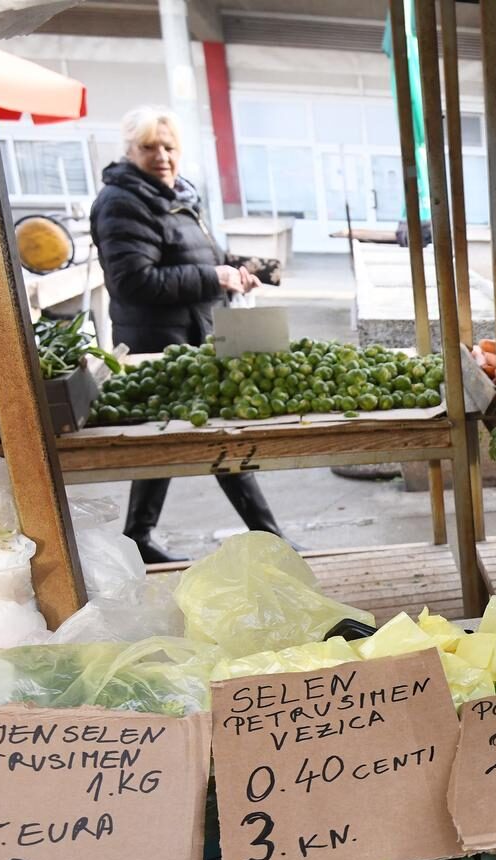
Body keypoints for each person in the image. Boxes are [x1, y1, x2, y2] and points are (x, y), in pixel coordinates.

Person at [90, 106, 289, 564]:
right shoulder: (121, 202)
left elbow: (202, 256)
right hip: (158, 342)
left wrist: (244, 270)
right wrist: (213, 277)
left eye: (168, 146)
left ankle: (142, 535)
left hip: (197, 334)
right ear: (129, 151)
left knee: (192, 439)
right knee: (190, 439)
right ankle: (268, 536)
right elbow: (132, 280)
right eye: (149, 147)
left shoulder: (178, 194)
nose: (161, 155)